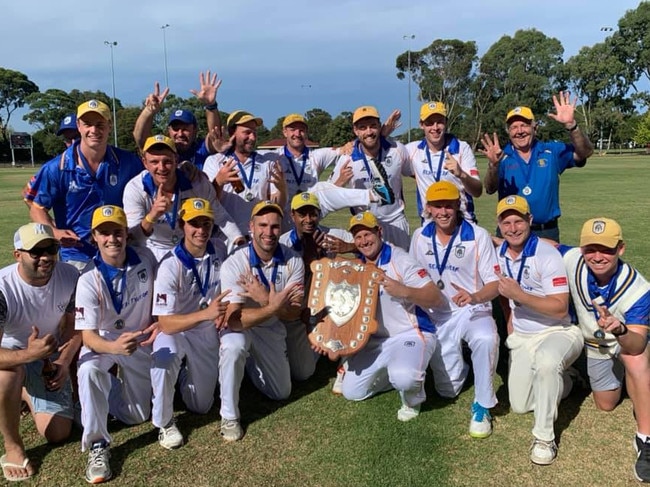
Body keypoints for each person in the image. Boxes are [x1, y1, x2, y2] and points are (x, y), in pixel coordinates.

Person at [559, 218, 650, 482]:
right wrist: (493, 240)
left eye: (607, 249)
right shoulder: (573, 258)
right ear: (582, 248)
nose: (598, 256)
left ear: (620, 249)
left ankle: (645, 438)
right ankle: (588, 374)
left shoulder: (638, 289)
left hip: (627, 342)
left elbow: (637, 343)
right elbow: (545, 244)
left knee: (635, 358)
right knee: (606, 404)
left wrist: (620, 329)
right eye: (591, 248)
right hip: (595, 347)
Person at [495, 195, 583, 465]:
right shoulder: (499, 251)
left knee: (546, 363)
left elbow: (559, 308)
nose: (513, 227)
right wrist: (510, 319)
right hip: (524, 336)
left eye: (518, 220)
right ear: (499, 225)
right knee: (520, 405)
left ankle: (544, 438)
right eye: (506, 222)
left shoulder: (547, 254)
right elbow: (501, 292)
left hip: (559, 332)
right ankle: (568, 380)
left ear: (530, 221)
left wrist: (519, 295)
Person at [333, 211, 444, 421]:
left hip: (411, 334)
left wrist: (403, 290)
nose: (363, 241)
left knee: (405, 379)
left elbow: (436, 298)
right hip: (376, 340)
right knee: (352, 392)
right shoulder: (356, 266)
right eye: (358, 237)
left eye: (368, 234)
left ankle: (412, 399)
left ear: (379, 232)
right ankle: (395, 373)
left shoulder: (400, 259)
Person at [75, 206, 158, 484]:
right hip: (105, 342)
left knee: (137, 416)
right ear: (95, 237)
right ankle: (97, 444)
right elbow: (87, 337)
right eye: (104, 233)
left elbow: (160, 299)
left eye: (117, 232)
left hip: (138, 341)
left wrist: (158, 322)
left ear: (126, 234)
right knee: (89, 371)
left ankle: (94, 399)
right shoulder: (88, 278)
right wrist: (115, 348)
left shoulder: (145, 258)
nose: (112, 238)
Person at [409, 181, 499, 438]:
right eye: (437, 206)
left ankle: (482, 405)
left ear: (458, 205)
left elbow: (494, 284)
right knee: (449, 390)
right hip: (436, 313)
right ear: (428, 208)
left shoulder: (477, 235)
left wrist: (475, 295)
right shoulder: (420, 236)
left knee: (485, 338)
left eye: (448, 205)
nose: (443, 212)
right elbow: (413, 276)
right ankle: (464, 364)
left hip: (471, 309)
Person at [0, 223, 80, 482]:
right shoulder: (3, 288)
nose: (46, 257)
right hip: (12, 356)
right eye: (36, 252)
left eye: (51, 248)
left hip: (48, 355)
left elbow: (76, 326)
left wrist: (63, 361)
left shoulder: (70, 276)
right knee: (6, 376)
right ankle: (12, 448)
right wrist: (28, 355)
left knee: (58, 433)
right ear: (18, 255)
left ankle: (25, 392)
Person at [218, 201, 305, 441]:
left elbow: (294, 313)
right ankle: (229, 416)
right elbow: (233, 320)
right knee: (234, 346)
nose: (269, 232)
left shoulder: (293, 261)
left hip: (269, 327)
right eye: (262, 225)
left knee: (281, 392)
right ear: (251, 227)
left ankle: (246, 367)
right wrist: (274, 306)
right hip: (240, 328)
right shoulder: (235, 263)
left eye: (275, 227)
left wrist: (266, 300)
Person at [151, 198, 231, 450]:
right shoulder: (170, 265)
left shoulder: (219, 248)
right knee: (164, 358)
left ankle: (182, 375)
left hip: (205, 330)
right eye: (193, 223)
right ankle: (164, 422)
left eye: (206, 223)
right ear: (181, 226)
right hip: (176, 329)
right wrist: (206, 314)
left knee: (202, 406)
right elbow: (165, 323)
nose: (201, 230)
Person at [30, 100, 144, 269]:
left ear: (109, 125)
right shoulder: (56, 167)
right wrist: (55, 232)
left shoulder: (128, 162)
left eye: (100, 124)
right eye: (87, 124)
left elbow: (153, 176)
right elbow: (37, 208)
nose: (94, 130)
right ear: (78, 126)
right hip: (77, 256)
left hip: (118, 251)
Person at [481, 92, 594, 240]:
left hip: (545, 231)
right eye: (514, 127)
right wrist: (493, 166)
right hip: (510, 231)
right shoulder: (502, 156)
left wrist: (571, 126)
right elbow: (490, 188)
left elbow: (585, 152)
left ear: (535, 128)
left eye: (524, 125)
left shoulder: (551, 151)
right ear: (508, 132)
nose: (519, 131)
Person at [123, 134, 243, 261]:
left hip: (189, 246)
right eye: (154, 162)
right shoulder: (135, 189)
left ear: (176, 159)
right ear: (145, 163)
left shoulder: (196, 182)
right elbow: (133, 239)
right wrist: (152, 216)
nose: (162, 168)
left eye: (167, 161)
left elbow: (221, 216)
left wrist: (240, 241)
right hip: (153, 249)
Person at [271, 113, 382, 222]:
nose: (298, 134)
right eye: (293, 129)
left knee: (320, 189)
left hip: (309, 215)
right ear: (285, 132)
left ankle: (373, 195)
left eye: (301, 130)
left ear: (307, 132)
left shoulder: (316, 156)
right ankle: (372, 194)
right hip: (284, 217)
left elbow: (351, 147)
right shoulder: (274, 157)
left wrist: (382, 132)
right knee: (321, 187)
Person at [329, 106, 412, 250]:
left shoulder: (397, 149)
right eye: (363, 127)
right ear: (356, 131)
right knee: (371, 271)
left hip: (396, 221)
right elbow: (328, 194)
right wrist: (340, 182)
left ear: (380, 126)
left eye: (373, 126)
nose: (369, 132)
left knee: (400, 269)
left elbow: (415, 174)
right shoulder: (347, 158)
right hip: (365, 227)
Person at [203, 111, 287, 235]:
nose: (252, 137)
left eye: (254, 132)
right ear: (232, 133)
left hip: (258, 237)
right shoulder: (214, 161)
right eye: (247, 132)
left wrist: (282, 190)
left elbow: (276, 204)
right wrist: (218, 183)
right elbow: (207, 204)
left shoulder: (267, 163)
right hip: (226, 237)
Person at [406, 102, 482, 224]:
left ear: (446, 122)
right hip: (429, 224)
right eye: (429, 123)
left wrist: (461, 174)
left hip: (462, 222)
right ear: (421, 125)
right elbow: (387, 156)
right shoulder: (412, 150)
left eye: (439, 122)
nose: (435, 128)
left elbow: (477, 191)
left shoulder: (462, 148)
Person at [132, 70, 223, 170]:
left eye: (185, 129)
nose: (180, 134)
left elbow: (216, 135)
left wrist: (211, 105)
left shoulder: (201, 149)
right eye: (176, 129)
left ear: (195, 130)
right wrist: (148, 111)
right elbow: (140, 138)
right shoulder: (162, 151)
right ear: (168, 131)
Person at [22, 114, 80, 208]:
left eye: (77, 137)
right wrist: (50, 222)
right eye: (68, 139)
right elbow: (28, 193)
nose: (73, 143)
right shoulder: (54, 166)